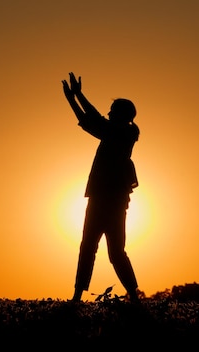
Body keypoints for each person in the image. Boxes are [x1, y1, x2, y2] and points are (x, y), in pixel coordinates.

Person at [61, 72, 141, 303]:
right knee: (89, 246)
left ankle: (133, 294)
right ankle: (77, 295)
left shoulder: (126, 132)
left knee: (115, 251)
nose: (109, 113)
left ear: (122, 115)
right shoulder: (116, 131)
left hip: (113, 200)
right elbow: (92, 122)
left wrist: (77, 97)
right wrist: (73, 98)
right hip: (100, 198)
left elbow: (94, 121)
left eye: (113, 110)